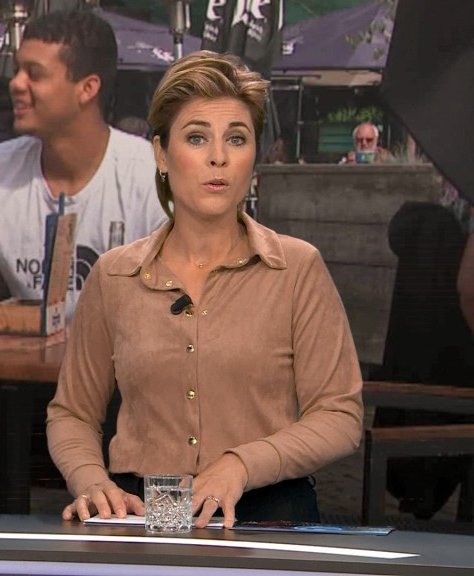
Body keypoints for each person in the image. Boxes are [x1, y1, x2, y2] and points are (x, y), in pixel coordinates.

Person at [47, 51, 364, 527]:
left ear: (253, 155)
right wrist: (91, 481)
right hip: (143, 514)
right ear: (161, 154)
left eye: (236, 138)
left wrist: (242, 464)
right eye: (197, 137)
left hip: (268, 512)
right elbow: (71, 412)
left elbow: (340, 416)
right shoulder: (114, 276)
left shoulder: (297, 269)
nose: (219, 156)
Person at [0, 9, 167, 513]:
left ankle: (136, 540)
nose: (15, 83)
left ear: (87, 88)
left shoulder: (148, 175)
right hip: (21, 394)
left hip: (124, 400)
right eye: (17, 69)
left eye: (34, 73)